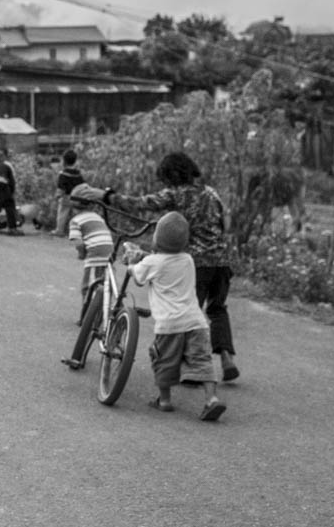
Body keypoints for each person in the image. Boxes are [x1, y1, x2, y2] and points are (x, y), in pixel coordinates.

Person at [73, 151, 240, 382]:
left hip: (196, 263)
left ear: (171, 175)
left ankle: (192, 371)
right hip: (222, 260)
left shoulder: (177, 194)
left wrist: (105, 195)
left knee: (186, 314)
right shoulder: (211, 192)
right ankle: (226, 358)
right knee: (217, 309)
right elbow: (225, 222)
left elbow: (141, 204)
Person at [121, 212, 226, 421]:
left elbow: (140, 277)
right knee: (202, 360)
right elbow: (166, 263)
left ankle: (165, 400)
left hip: (169, 325)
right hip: (196, 322)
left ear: (156, 239)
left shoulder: (152, 262)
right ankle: (211, 399)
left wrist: (130, 265)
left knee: (164, 361)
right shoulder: (188, 260)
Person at [67, 195, 113, 323]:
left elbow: (79, 243)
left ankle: (88, 318)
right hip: (109, 252)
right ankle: (105, 314)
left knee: (89, 286)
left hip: (96, 254)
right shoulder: (98, 217)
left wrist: (81, 254)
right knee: (106, 283)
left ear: (73, 208)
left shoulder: (75, 221)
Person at [50, 149, 85, 237]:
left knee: (62, 213)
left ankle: (59, 230)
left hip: (66, 197)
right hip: (77, 197)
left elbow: (61, 187)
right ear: (75, 161)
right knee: (78, 214)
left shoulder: (63, 174)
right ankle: (80, 231)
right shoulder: (78, 173)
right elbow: (82, 185)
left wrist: (57, 196)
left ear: (63, 161)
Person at [0, 151, 23, 235]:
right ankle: (12, 228)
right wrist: (11, 193)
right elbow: (12, 181)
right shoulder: (5, 166)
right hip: (2, 183)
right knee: (9, 205)